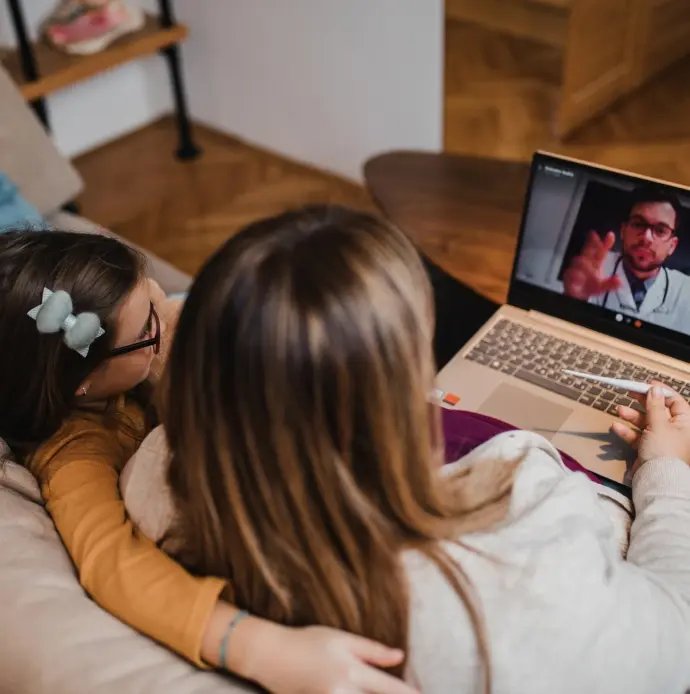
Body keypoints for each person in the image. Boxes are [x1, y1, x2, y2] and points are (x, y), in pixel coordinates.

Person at [119, 205, 690, 693]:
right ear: (400, 383)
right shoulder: (518, 552)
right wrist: (666, 469)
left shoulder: (153, 475)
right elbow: (676, 636)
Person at [0, 229, 419, 694]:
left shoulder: (126, 365)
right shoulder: (74, 454)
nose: (170, 314)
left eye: (157, 294)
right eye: (148, 327)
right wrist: (256, 646)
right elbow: (112, 563)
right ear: (82, 379)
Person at [562, 183, 690, 329]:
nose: (646, 238)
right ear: (623, 231)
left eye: (660, 230)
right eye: (638, 224)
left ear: (672, 245)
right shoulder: (593, 268)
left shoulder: (686, 291)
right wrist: (571, 302)